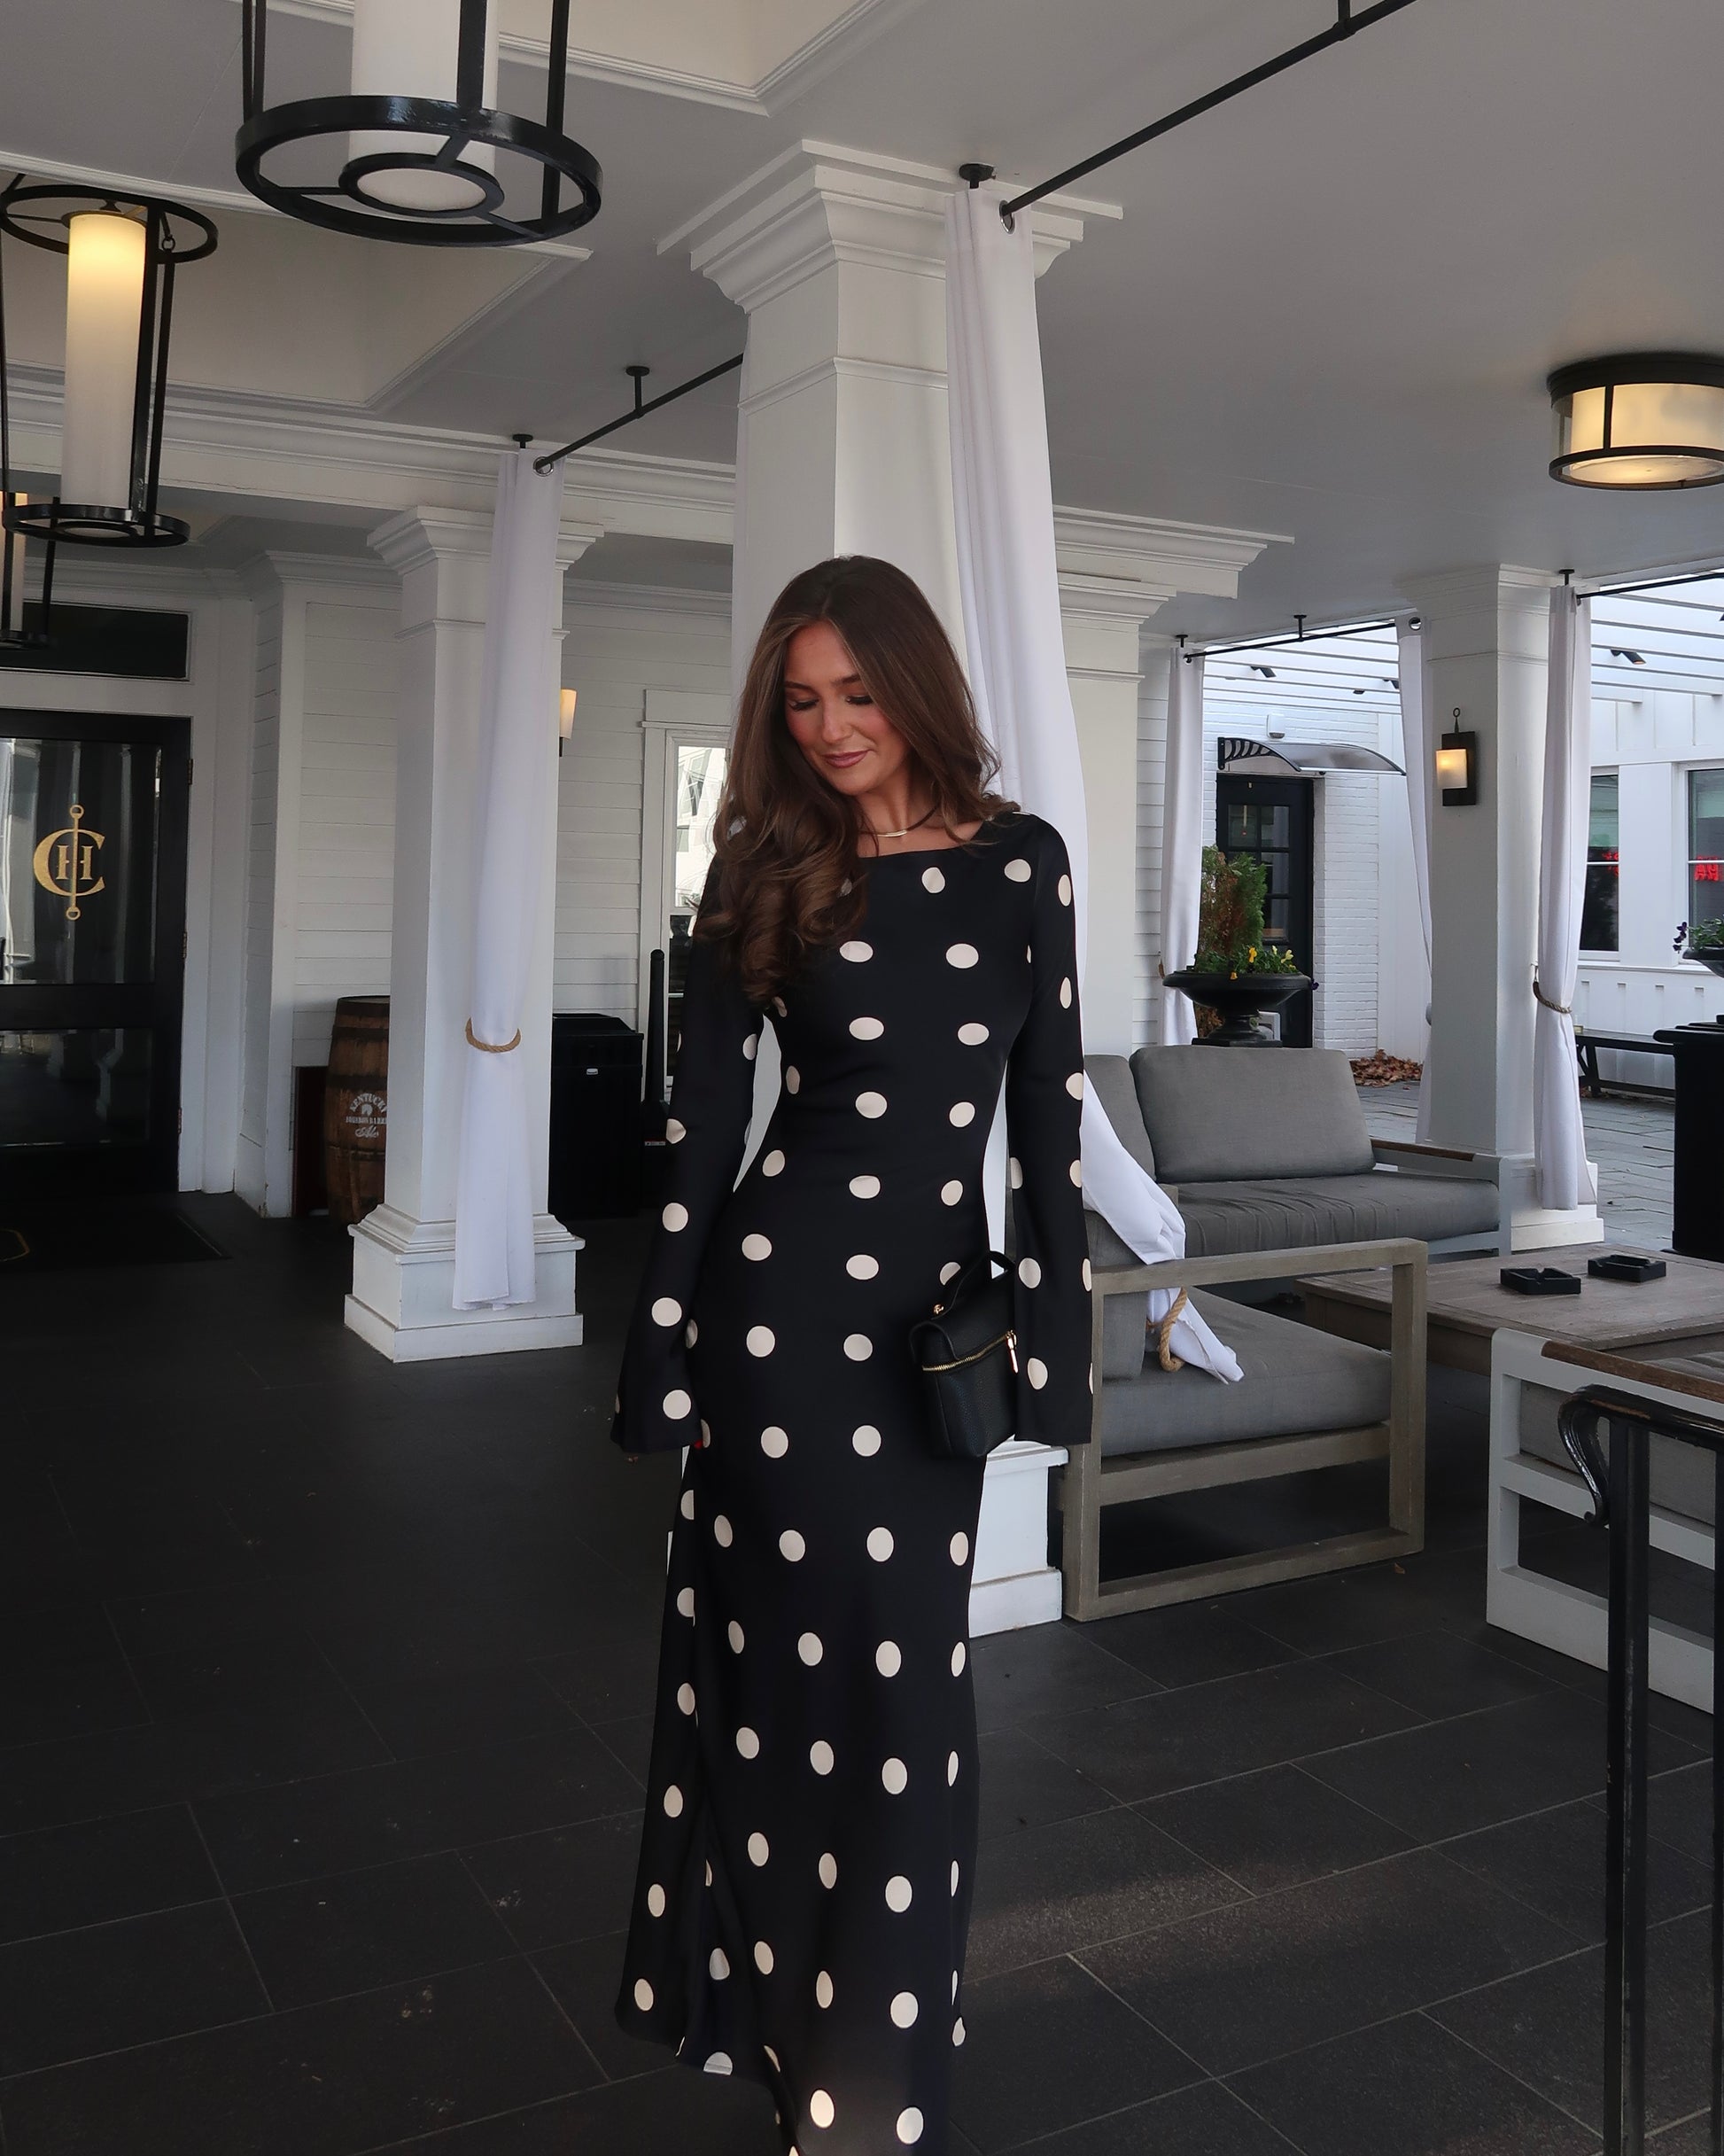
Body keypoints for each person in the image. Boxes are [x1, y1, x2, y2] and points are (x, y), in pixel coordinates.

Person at [610, 555, 1091, 2152]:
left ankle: (864, 2062)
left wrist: (1057, 1355)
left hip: (924, 1347)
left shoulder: (1023, 864)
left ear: (915, 685)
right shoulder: (764, 865)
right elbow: (699, 1130)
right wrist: (662, 1355)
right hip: (772, 1328)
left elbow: (1045, 1124)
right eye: (803, 700)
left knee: (903, 1694)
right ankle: (814, 2057)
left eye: (857, 692)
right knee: (776, 1686)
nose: (829, 726)